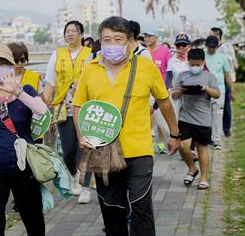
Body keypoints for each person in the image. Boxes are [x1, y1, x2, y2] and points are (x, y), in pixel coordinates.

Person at [73, 16, 180, 236]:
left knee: (141, 207)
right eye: (106, 40)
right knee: (112, 211)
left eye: (118, 39)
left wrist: (175, 134)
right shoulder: (90, 69)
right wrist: (81, 135)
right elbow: (78, 105)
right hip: (103, 151)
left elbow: (164, 101)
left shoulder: (145, 66)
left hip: (139, 151)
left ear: (130, 41)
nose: (111, 45)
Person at [0, 42, 48, 236]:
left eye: (3, 62)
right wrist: (1, 142)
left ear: (12, 64)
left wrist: (17, 92)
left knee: (33, 220)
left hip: (24, 168)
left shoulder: (27, 90)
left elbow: (42, 111)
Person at [43, 20, 93, 204]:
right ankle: (74, 175)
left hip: (86, 108)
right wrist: (43, 105)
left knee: (86, 149)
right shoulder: (57, 55)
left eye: (74, 31)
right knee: (69, 150)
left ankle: (86, 187)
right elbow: (50, 82)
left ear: (81, 34)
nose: (70, 34)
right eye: (67, 31)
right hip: (64, 108)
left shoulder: (90, 54)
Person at [171, 49, 220, 190]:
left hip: (203, 119)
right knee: (183, 146)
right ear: (188, 62)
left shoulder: (209, 76)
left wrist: (206, 89)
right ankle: (192, 168)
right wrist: (180, 91)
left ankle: (204, 179)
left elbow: (217, 94)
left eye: (197, 64)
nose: (194, 67)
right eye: (192, 64)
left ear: (203, 63)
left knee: (202, 148)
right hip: (185, 117)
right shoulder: (182, 76)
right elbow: (174, 95)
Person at [144, 29, 172, 154]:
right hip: (147, 89)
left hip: (161, 89)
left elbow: (170, 71)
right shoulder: (143, 52)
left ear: (155, 37)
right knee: (148, 114)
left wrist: (168, 87)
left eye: (149, 36)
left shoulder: (165, 52)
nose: (147, 38)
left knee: (161, 117)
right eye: (145, 36)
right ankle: (148, 142)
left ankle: (161, 143)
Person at [204, 35, 235, 150]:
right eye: (209, 47)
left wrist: (232, 91)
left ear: (217, 47)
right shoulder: (203, 56)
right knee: (206, 115)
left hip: (219, 90)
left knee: (216, 115)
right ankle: (207, 137)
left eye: (213, 47)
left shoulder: (222, 58)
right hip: (205, 90)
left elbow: (227, 75)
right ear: (206, 46)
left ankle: (216, 140)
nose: (211, 49)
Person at [210, 27, 238, 137]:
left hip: (225, 80)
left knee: (226, 105)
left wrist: (232, 87)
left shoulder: (227, 47)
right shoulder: (209, 48)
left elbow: (233, 64)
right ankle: (211, 132)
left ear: (217, 36)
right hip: (212, 81)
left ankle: (226, 129)